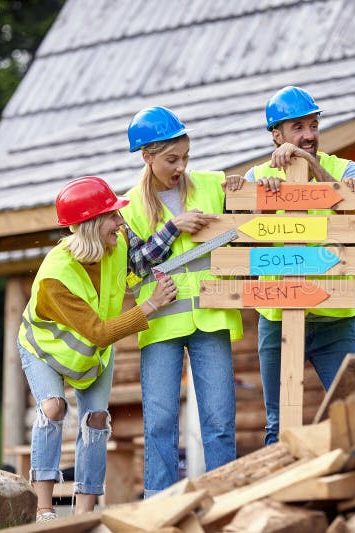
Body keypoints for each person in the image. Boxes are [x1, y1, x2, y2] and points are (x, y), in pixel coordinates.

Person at [17, 176, 176, 522]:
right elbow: (99, 332)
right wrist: (151, 306)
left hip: (91, 356)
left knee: (97, 420)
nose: (121, 223)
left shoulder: (115, 246)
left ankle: (84, 514)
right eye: (113, 217)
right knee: (54, 408)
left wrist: (173, 235)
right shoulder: (56, 277)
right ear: (91, 224)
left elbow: (142, 261)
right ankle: (44, 510)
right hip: (44, 350)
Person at [120, 106, 243, 497]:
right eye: (172, 159)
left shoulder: (212, 185)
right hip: (161, 324)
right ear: (147, 157)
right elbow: (135, 267)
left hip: (212, 317)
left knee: (220, 421)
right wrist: (173, 227)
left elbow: (250, 210)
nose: (181, 166)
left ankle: (224, 501)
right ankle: (160, 507)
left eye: (186, 157)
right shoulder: (130, 208)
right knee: (159, 424)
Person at [244, 86, 355, 445]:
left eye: (313, 125)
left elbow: (353, 213)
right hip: (277, 318)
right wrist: (261, 201)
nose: (309, 135)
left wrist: (310, 164)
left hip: (336, 319)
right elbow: (246, 237)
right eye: (297, 127)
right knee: (278, 425)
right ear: (275, 135)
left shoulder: (346, 168)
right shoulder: (256, 176)